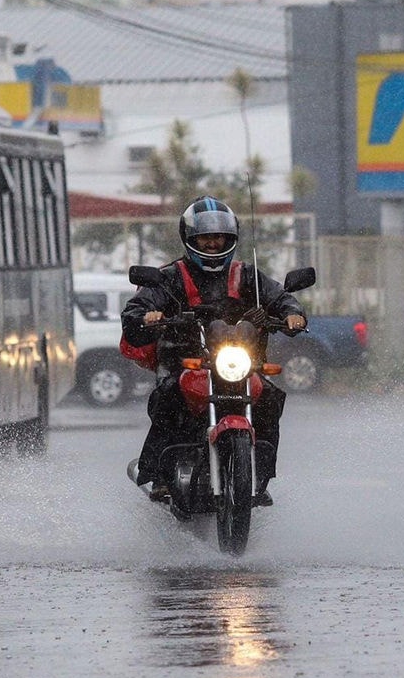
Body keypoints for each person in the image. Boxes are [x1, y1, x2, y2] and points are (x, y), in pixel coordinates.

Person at [120, 196, 306, 506]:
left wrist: (292, 313)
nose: (212, 244)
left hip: (237, 362)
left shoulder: (246, 274)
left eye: (218, 237)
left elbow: (279, 296)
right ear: (190, 238)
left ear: (231, 238)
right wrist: (147, 316)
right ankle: (159, 474)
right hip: (184, 362)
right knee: (168, 396)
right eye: (205, 238)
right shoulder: (169, 277)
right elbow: (138, 307)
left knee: (270, 398)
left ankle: (260, 475)